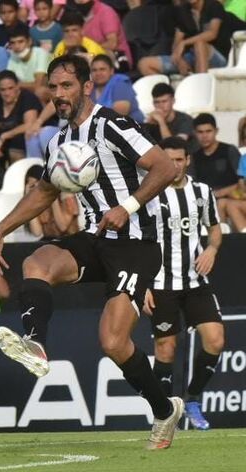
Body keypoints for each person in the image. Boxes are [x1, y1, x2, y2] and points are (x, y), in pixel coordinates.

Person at [0, 54, 183, 450]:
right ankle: (36, 343)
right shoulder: (59, 140)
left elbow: (165, 167)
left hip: (134, 243)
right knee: (36, 261)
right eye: (54, 87)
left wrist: (125, 208)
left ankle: (164, 411)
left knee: (112, 343)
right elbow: (45, 190)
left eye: (67, 86)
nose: (59, 95)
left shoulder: (112, 124)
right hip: (94, 239)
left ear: (86, 87)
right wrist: (0, 229)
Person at [144, 136, 224, 431]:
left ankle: (191, 399)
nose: (174, 166)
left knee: (216, 340)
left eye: (179, 159)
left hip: (195, 281)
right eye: (169, 160)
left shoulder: (202, 192)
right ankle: (165, 415)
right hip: (161, 282)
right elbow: (139, 242)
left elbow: (214, 230)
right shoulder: (150, 194)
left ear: (187, 160)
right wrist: (142, 287)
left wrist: (212, 250)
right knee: (165, 349)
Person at [137, 0, 227, 76]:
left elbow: (212, 34)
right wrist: (179, 59)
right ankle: (170, 93)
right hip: (191, 56)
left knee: (199, 44)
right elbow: (177, 42)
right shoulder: (183, 11)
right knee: (144, 64)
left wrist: (184, 43)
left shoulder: (213, 5)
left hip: (216, 57)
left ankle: (201, 88)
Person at [24, 164, 79, 239]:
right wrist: (28, 199)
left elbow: (62, 227)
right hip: (49, 241)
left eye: (38, 183)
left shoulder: (65, 194)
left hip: (69, 240)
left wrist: (52, 196)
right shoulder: (39, 203)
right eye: (32, 186)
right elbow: (37, 232)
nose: (36, 189)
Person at [75, 0, 133, 70]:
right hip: (89, 56)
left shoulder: (106, 12)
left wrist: (92, 50)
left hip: (116, 58)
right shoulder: (76, 14)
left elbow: (112, 43)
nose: (81, 1)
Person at [90, 54, 143, 123]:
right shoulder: (90, 88)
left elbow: (121, 113)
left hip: (130, 127)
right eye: (94, 70)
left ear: (111, 71)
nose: (98, 73)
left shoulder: (120, 82)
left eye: (102, 69)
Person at [144, 82, 196, 153]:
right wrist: (148, 124)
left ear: (173, 101)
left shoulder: (185, 120)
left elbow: (175, 148)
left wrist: (161, 122)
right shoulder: (152, 120)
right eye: (157, 102)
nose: (160, 106)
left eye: (164, 101)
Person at [6, 23, 50, 103]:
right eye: (13, 43)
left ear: (29, 41)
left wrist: (17, 85)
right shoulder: (13, 56)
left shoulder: (40, 53)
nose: (17, 46)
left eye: (20, 42)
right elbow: (8, 83)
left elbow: (38, 85)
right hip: (24, 91)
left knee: (39, 92)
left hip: (47, 92)